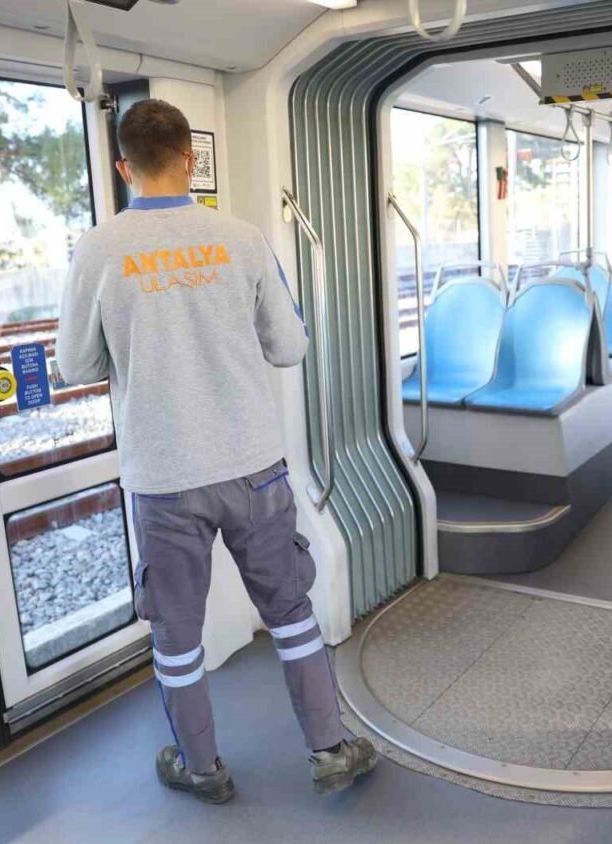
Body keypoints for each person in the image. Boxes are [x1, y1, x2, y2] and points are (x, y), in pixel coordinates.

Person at [56, 98, 376, 802]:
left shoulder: (97, 249)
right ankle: (329, 750)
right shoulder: (242, 238)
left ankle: (200, 767)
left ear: (124, 168)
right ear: (190, 158)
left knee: (177, 633)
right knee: (289, 610)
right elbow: (289, 346)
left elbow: (75, 365)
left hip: (164, 477)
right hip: (253, 468)